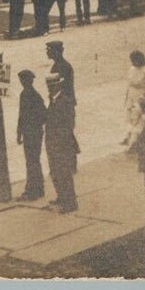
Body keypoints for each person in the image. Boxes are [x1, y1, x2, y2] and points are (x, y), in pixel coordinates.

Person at [44, 72, 79, 212]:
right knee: (56, 171)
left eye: (52, 86)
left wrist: (60, 141)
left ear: (58, 85)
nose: (49, 88)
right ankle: (62, 197)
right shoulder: (53, 99)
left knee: (63, 172)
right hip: (53, 143)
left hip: (61, 143)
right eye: (48, 86)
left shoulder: (64, 101)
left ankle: (70, 203)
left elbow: (69, 124)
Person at [15, 69, 47, 201]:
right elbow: (22, 116)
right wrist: (20, 132)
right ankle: (38, 189)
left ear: (29, 81)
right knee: (34, 161)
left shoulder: (29, 95)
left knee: (32, 161)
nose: (23, 82)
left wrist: (24, 130)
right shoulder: (30, 94)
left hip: (32, 133)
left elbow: (42, 115)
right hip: (33, 132)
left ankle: (32, 190)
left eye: (24, 80)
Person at [122, 49, 145, 146]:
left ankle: (135, 139)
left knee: (138, 117)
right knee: (128, 114)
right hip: (131, 94)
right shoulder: (131, 69)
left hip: (142, 95)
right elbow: (129, 84)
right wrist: (127, 96)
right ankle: (127, 136)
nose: (134, 63)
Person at [45, 40, 76, 104]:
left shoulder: (63, 66)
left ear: (56, 51)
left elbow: (62, 86)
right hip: (62, 100)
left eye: (49, 50)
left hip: (64, 102)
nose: (47, 52)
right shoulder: (58, 64)